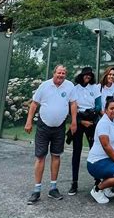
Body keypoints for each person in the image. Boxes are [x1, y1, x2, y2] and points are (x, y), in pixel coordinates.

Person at [25, 64, 77, 204]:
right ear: (54, 73)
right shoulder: (44, 86)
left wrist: (74, 122)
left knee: (56, 156)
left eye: (63, 73)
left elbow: (73, 104)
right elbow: (34, 104)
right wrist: (29, 121)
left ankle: (53, 188)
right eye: (59, 73)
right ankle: (36, 190)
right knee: (41, 156)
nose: (61, 75)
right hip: (43, 126)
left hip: (59, 127)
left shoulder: (69, 86)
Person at [68, 66, 102, 196]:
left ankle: (97, 180)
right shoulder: (75, 89)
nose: (88, 76)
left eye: (90, 75)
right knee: (77, 151)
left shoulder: (95, 88)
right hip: (79, 119)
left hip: (92, 119)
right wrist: (80, 121)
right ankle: (74, 182)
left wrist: (93, 113)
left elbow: (98, 104)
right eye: (85, 74)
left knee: (95, 150)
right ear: (81, 76)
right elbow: (72, 106)